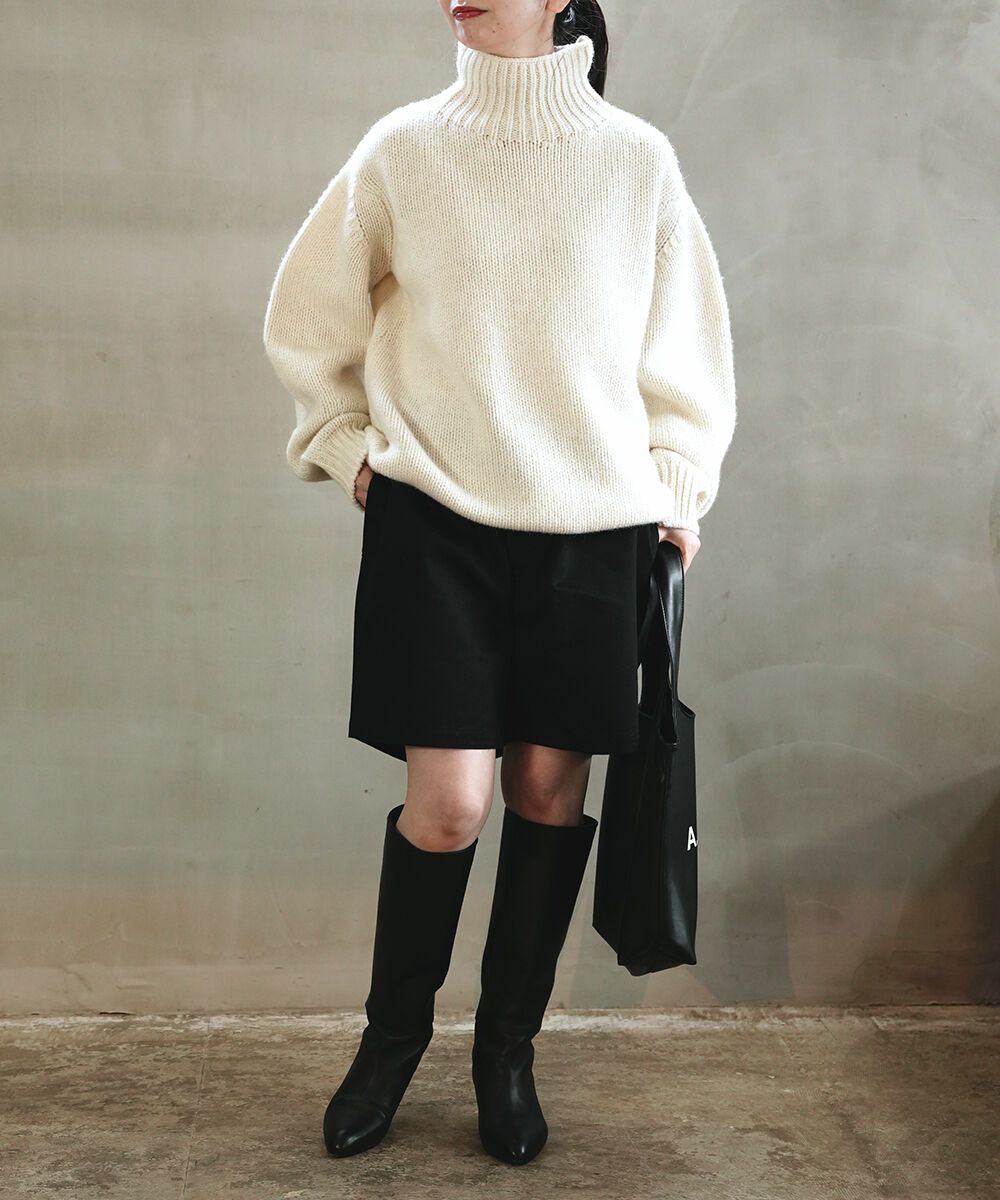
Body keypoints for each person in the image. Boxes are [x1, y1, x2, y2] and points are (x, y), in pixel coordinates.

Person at [262, 0, 736, 1167]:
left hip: (592, 530)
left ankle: (505, 1056)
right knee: (452, 804)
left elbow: (684, 357)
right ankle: (390, 1043)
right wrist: (345, 443)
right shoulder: (405, 149)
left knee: (542, 792)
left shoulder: (634, 163)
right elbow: (307, 320)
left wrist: (676, 492)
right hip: (436, 528)